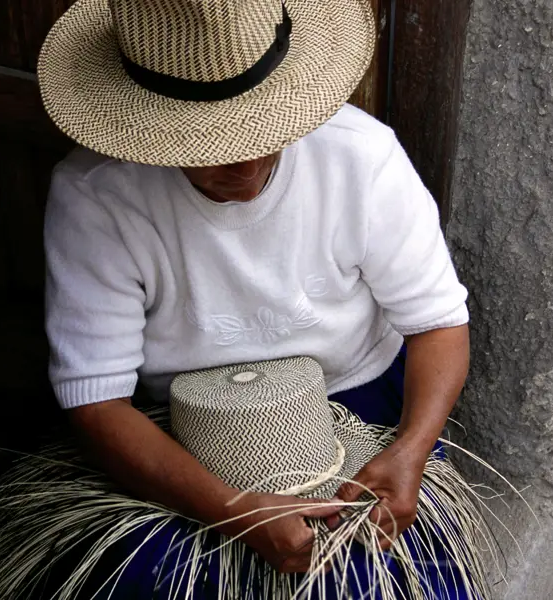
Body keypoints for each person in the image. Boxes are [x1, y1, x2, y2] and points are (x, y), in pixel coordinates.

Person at [38, 0, 471, 596]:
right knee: (146, 579)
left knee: (384, 576)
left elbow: (438, 323)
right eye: (205, 141)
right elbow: (97, 399)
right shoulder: (97, 196)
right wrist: (234, 509)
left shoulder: (360, 157)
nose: (241, 162)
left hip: (355, 400)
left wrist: (411, 450)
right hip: (192, 429)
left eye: (259, 130)